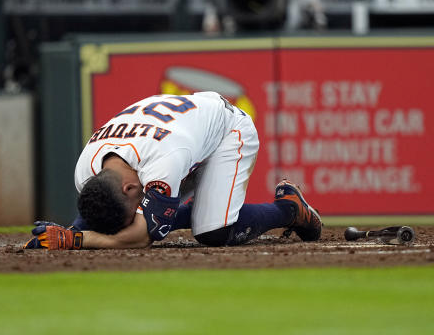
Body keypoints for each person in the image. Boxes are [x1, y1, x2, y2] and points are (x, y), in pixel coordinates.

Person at [24, 91, 322, 250]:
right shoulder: (85, 170)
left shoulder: (163, 162)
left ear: (130, 189)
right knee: (158, 214)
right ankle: (205, 204)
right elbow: (99, 213)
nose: (133, 215)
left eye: (134, 208)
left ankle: (289, 208)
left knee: (214, 232)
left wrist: (78, 239)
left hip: (225, 130)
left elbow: (143, 236)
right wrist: (73, 230)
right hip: (181, 130)